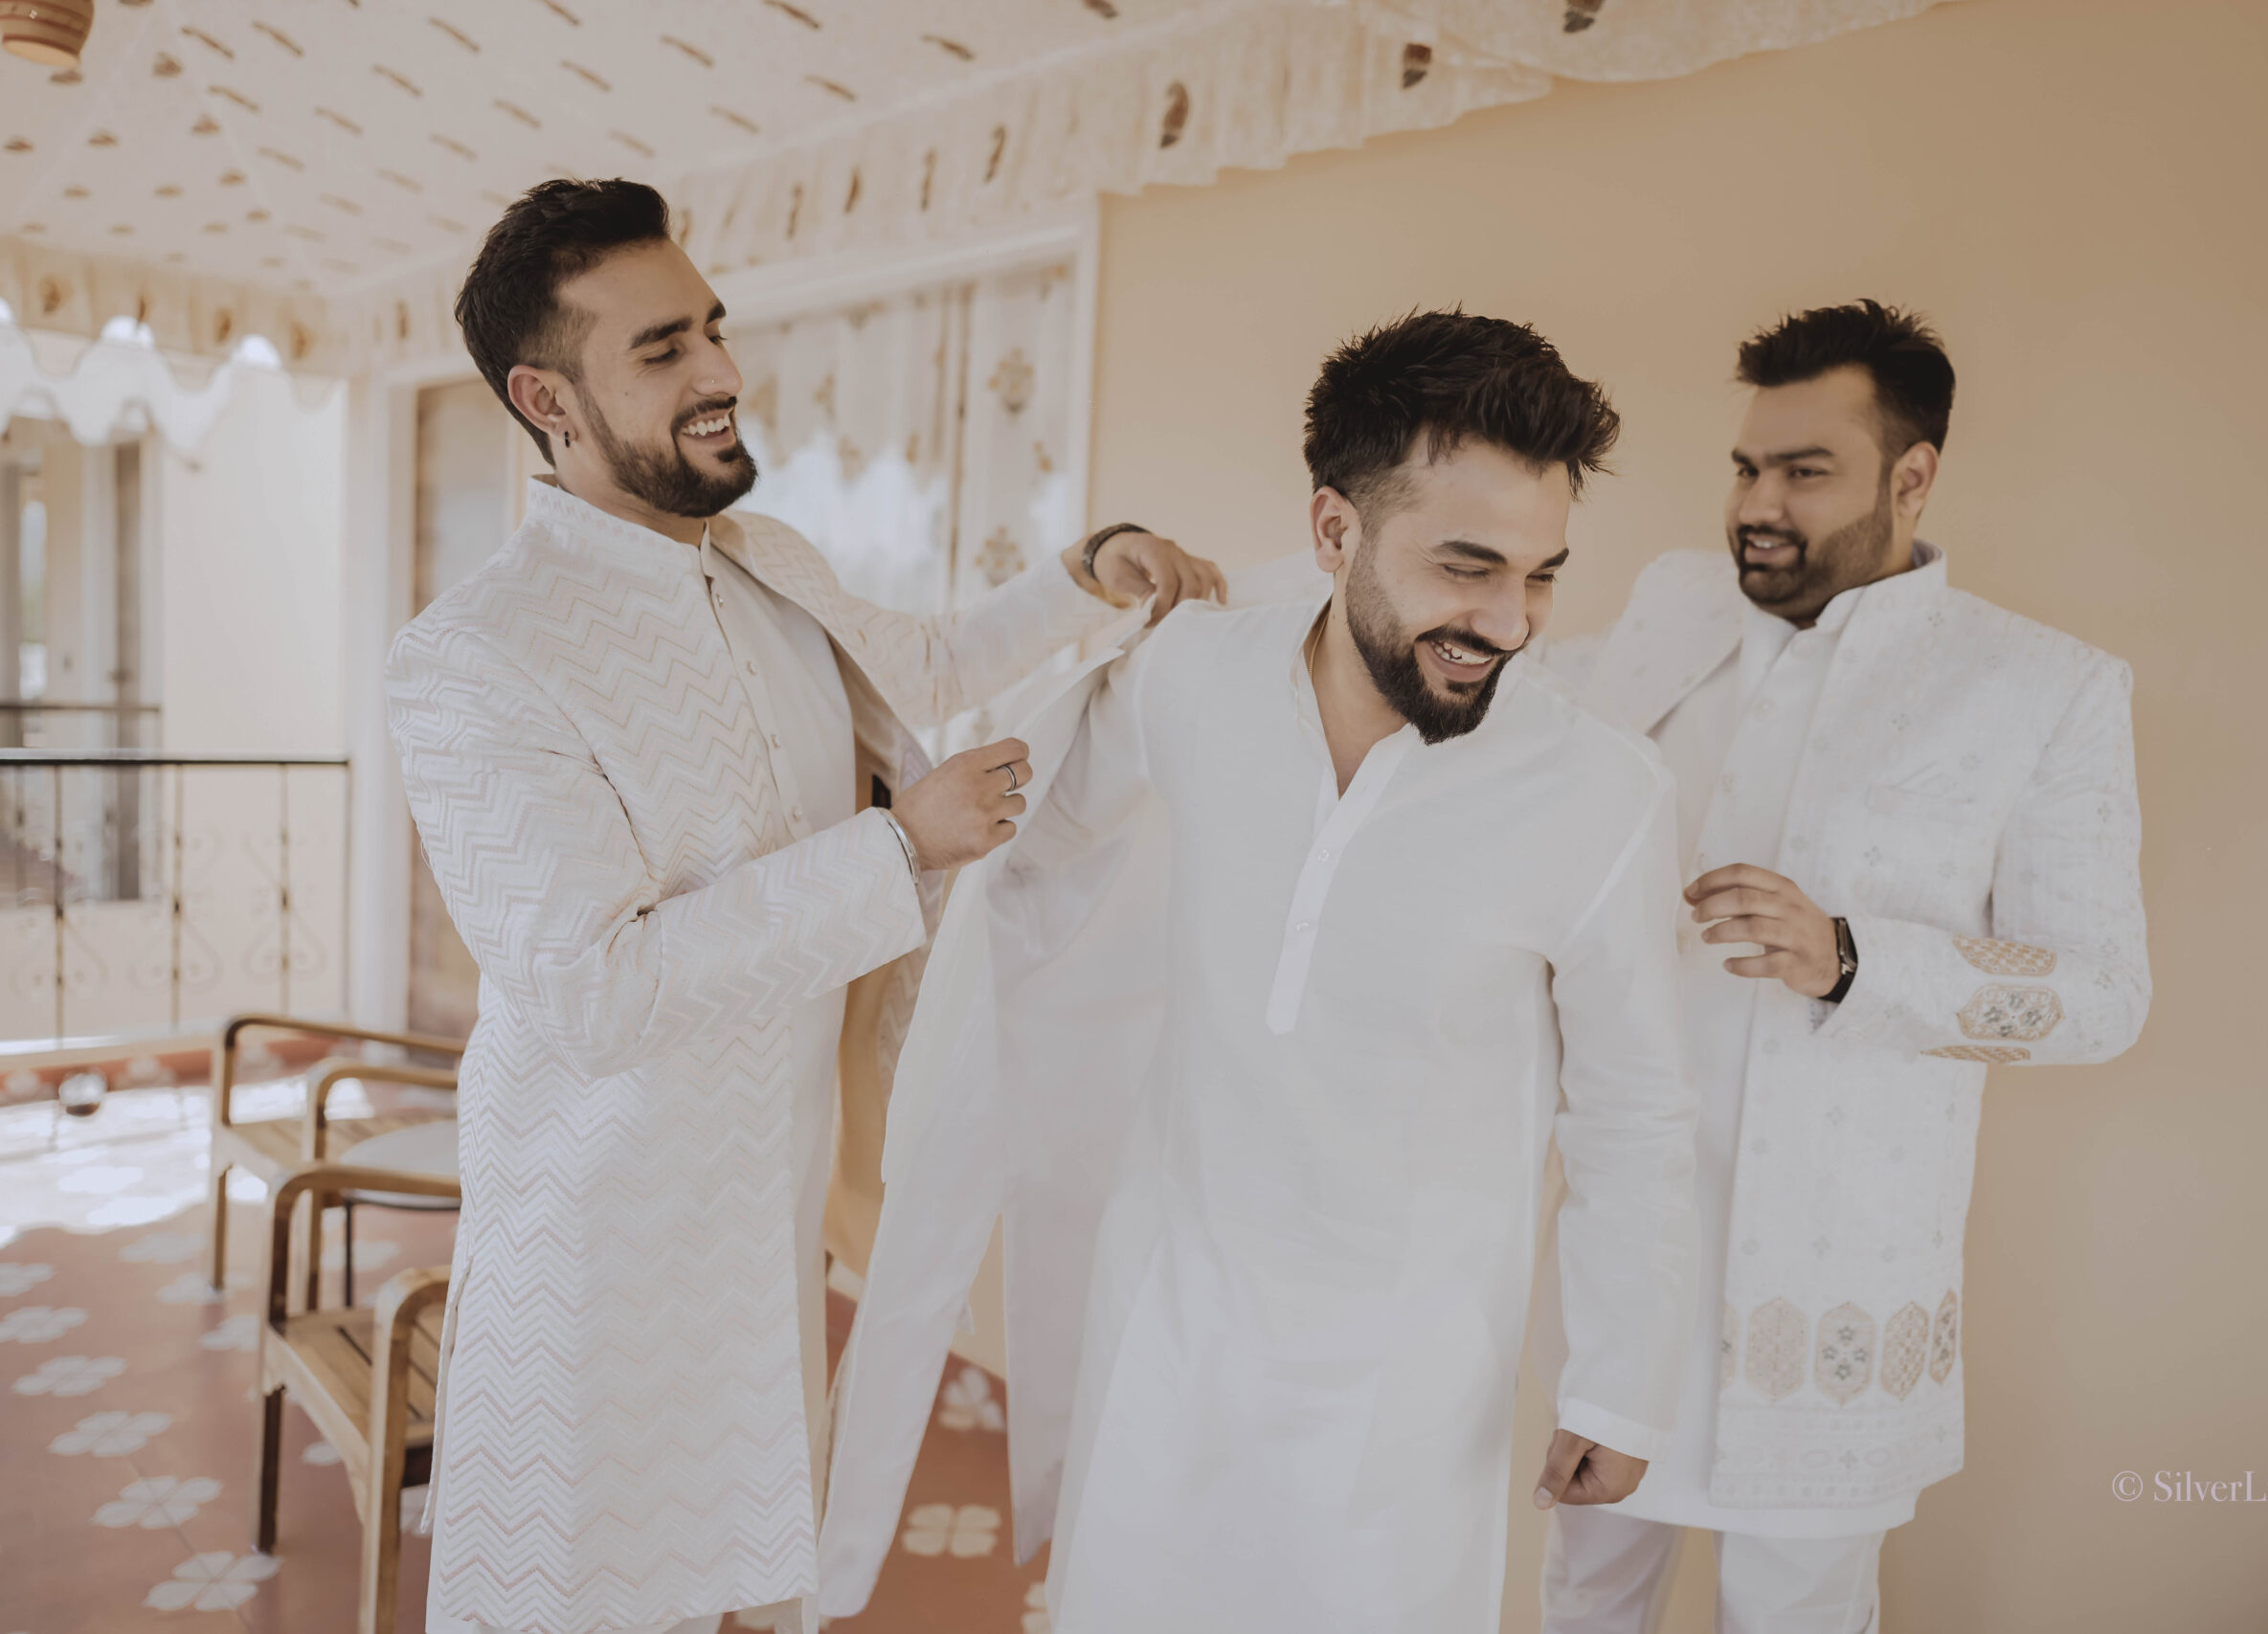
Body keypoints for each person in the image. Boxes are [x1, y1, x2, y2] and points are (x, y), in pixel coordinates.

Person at [386, 176, 1223, 1634]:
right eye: (663, 350)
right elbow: (594, 993)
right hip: (606, 1253)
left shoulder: (766, 559)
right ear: (547, 400)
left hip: (773, 1226)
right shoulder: (474, 658)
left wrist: (1089, 575)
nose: (720, 371)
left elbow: (928, 663)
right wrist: (900, 851)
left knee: (762, 1582)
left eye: (712, 327)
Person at [816, 310, 1701, 1634]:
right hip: (1167, 1324)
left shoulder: (1603, 793)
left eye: (1542, 576)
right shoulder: (1190, 675)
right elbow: (1037, 833)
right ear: (1335, 530)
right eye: (1466, 568)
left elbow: (1636, 1111)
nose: (1509, 622)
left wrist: (1622, 1382)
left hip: (1404, 1391)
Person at [1536, 301, 2151, 1633]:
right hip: (1622, 1257)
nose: (1758, 505)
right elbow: (1492, 679)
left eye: (1805, 472)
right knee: (1584, 1597)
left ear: (1911, 477)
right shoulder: (1671, 611)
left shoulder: (2039, 688)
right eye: (1747, 468)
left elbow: (2104, 997)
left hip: (1830, 1294)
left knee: (1798, 1612)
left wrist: (1854, 958)